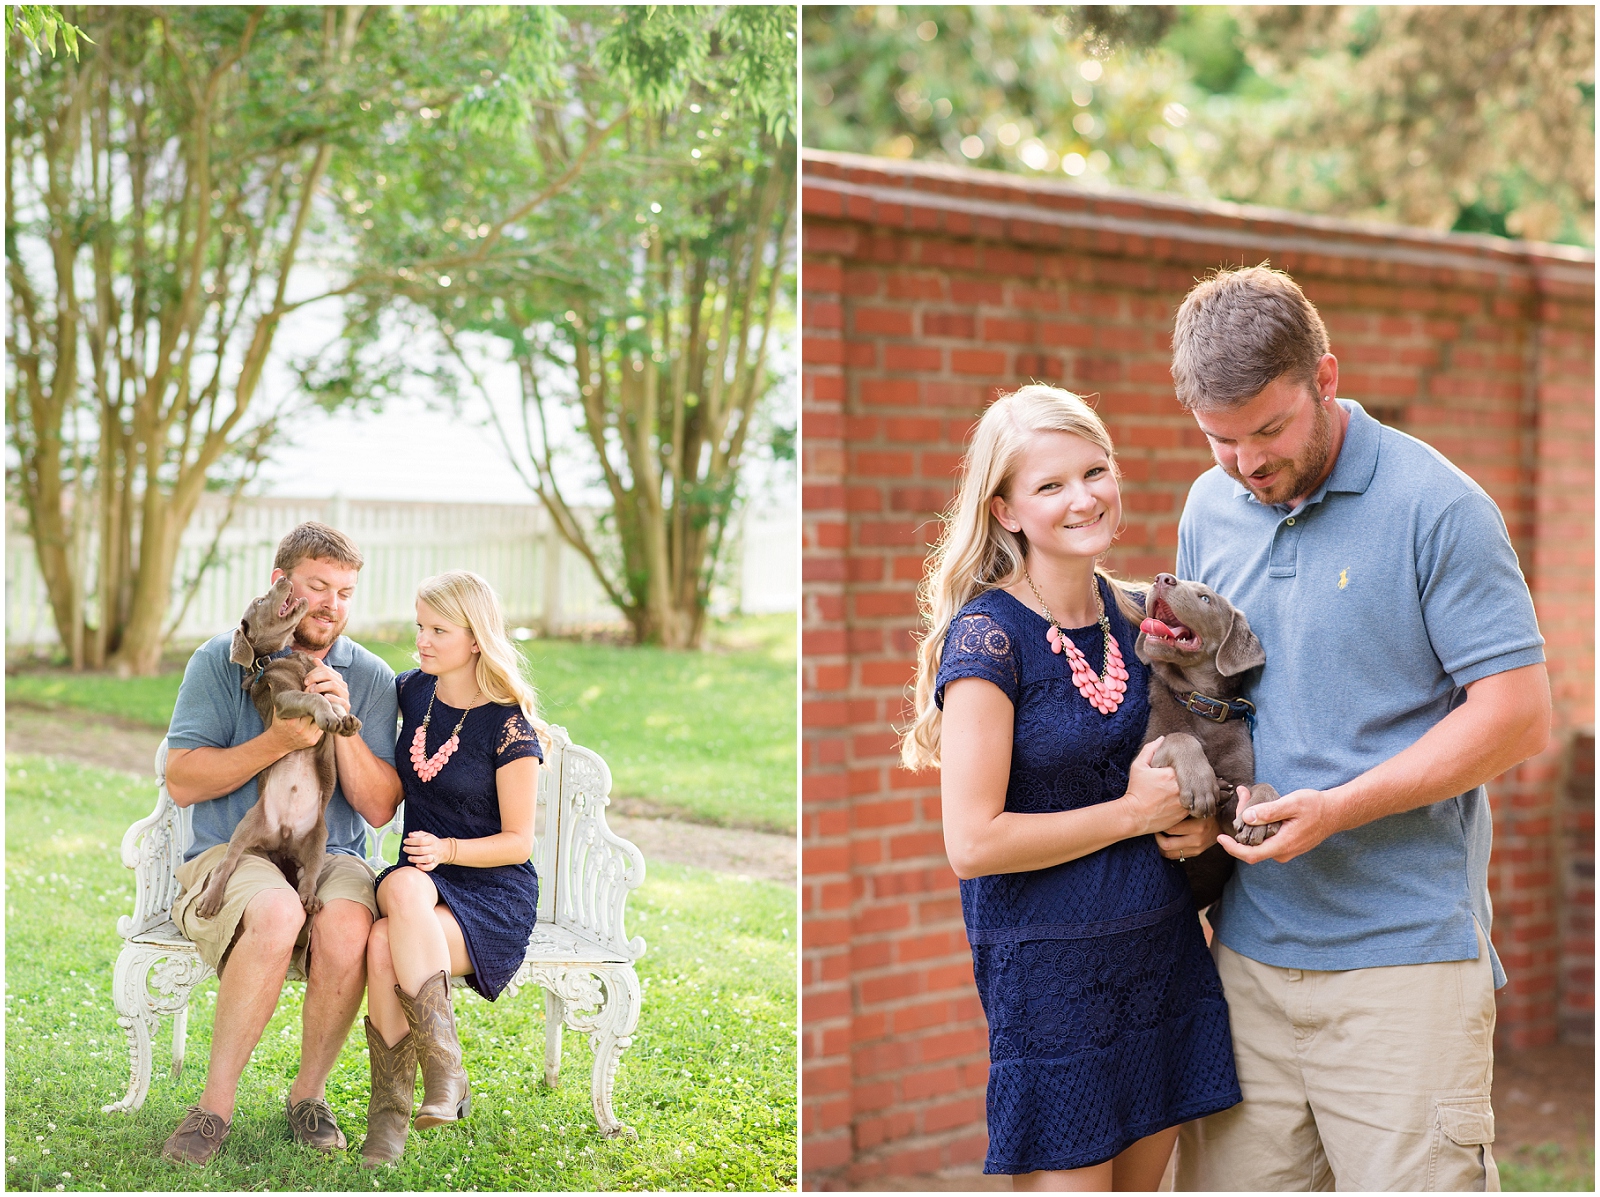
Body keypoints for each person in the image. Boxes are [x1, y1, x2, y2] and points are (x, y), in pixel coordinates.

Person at [1167, 264, 1551, 1191]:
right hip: (1249, 959)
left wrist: (1339, 806)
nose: (1247, 463)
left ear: (1326, 378)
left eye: (1269, 429)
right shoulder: (1208, 507)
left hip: (1404, 965)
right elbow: (1205, 693)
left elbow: (1517, 715)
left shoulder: (1439, 506)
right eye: (1221, 439)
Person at [901, 384, 1241, 1191]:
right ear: (1007, 509)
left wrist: (1195, 825)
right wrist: (1131, 814)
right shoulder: (987, 641)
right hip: (1054, 986)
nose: (1083, 497)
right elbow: (973, 842)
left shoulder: (1137, 617)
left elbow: (1199, 754)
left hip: (1160, 958)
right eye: (1050, 485)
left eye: (1095, 471)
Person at [162, 522, 403, 1164]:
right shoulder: (222, 659)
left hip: (331, 853)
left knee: (349, 923)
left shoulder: (370, 676)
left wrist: (341, 724)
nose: (331, 604)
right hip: (233, 851)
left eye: (345, 592)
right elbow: (182, 779)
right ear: (281, 584)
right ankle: (213, 1110)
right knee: (275, 912)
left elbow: (379, 807)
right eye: (318, 586)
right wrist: (278, 741)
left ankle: (308, 1097)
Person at [359, 570, 543, 1167]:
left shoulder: (507, 722)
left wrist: (450, 851)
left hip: (490, 892)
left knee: (386, 938)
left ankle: (393, 1117)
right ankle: (439, 1083)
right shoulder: (413, 692)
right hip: (422, 882)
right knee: (405, 890)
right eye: (420, 626)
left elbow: (518, 842)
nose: (424, 640)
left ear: (475, 637)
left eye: (440, 629)